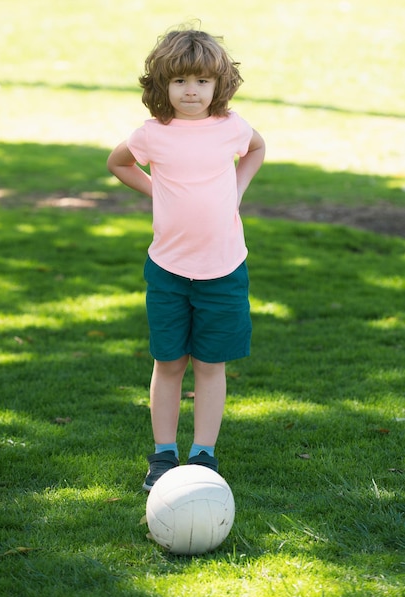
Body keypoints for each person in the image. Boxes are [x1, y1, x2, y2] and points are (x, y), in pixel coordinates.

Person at [107, 27, 265, 491]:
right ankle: (162, 455)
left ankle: (203, 454)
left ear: (219, 85)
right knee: (169, 363)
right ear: (162, 85)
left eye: (201, 81)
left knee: (211, 365)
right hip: (169, 271)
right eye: (179, 81)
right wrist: (158, 192)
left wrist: (236, 189)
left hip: (225, 270)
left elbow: (256, 148)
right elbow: (118, 164)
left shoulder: (232, 127)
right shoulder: (153, 135)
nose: (191, 90)